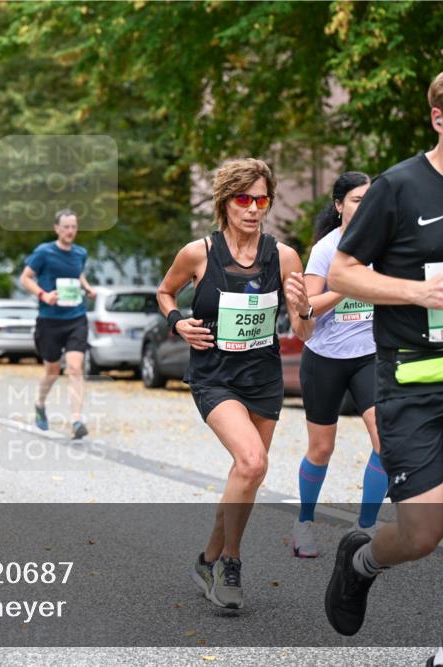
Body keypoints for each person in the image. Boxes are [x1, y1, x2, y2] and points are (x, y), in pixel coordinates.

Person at [324, 65, 443, 667]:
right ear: (439, 119)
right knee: (422, 533)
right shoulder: (397, 187)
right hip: (411, 381)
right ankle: (360, 560)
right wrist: (416, 293)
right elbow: (342, 273)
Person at [157, 158, 313, 609]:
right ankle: (230, 560)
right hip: (214, 374)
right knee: (250, 461)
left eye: (261, 199)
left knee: (249, 472)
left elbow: (303, 333)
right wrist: (177, 322)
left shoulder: (283, 257)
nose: (253, 209)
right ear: (225, 203)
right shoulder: (197, 253)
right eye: (243, 199)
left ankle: (206, 558)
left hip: (262, 377)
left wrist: (303, 310)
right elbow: (165, 292)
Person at [291, 171, 388, 558]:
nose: (364, 207)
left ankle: (364, 528)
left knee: (385, 440)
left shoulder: (383, 245)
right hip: (326, 358)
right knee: (321, 449)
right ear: (338, 205)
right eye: (357, 200)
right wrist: (348, 284)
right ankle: (304, 522)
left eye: (371, 200)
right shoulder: (326, 249)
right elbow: (308, 308)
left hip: (371, 354)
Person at [19, 209, 97, 439]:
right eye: (66, 227)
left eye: (74, 226)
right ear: (57, 228)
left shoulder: (80, 253)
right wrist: (44, 295)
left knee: (74, 367)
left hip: (76, 317)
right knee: (52, 370)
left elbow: (77, 274)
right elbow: (25, 278)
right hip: (49, 320)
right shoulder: (44, 252)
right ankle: (40, 403)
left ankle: (75, 420)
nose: (70, 231)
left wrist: (87, 287)